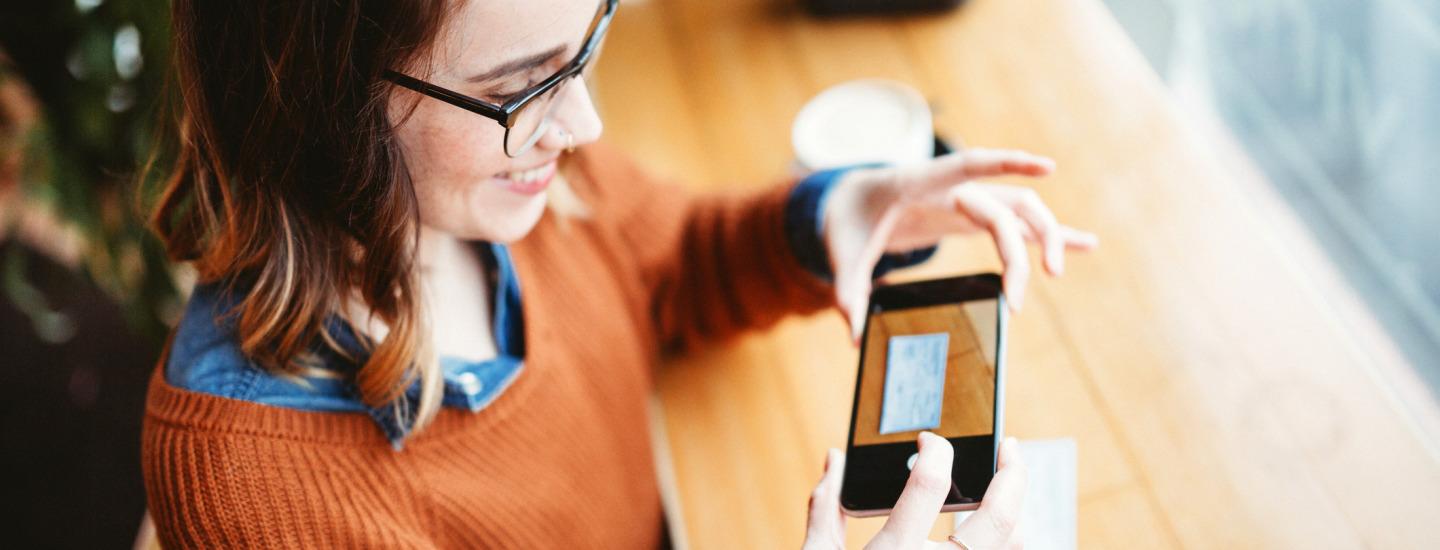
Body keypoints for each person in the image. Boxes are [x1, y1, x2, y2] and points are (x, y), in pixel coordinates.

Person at [140, 0, 1097, 547]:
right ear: (317, 99)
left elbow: (670, 262)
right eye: (521, 87)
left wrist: (830, 217)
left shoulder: (516, 180)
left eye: (587, 45)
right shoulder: (254, 495)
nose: (586, 124)